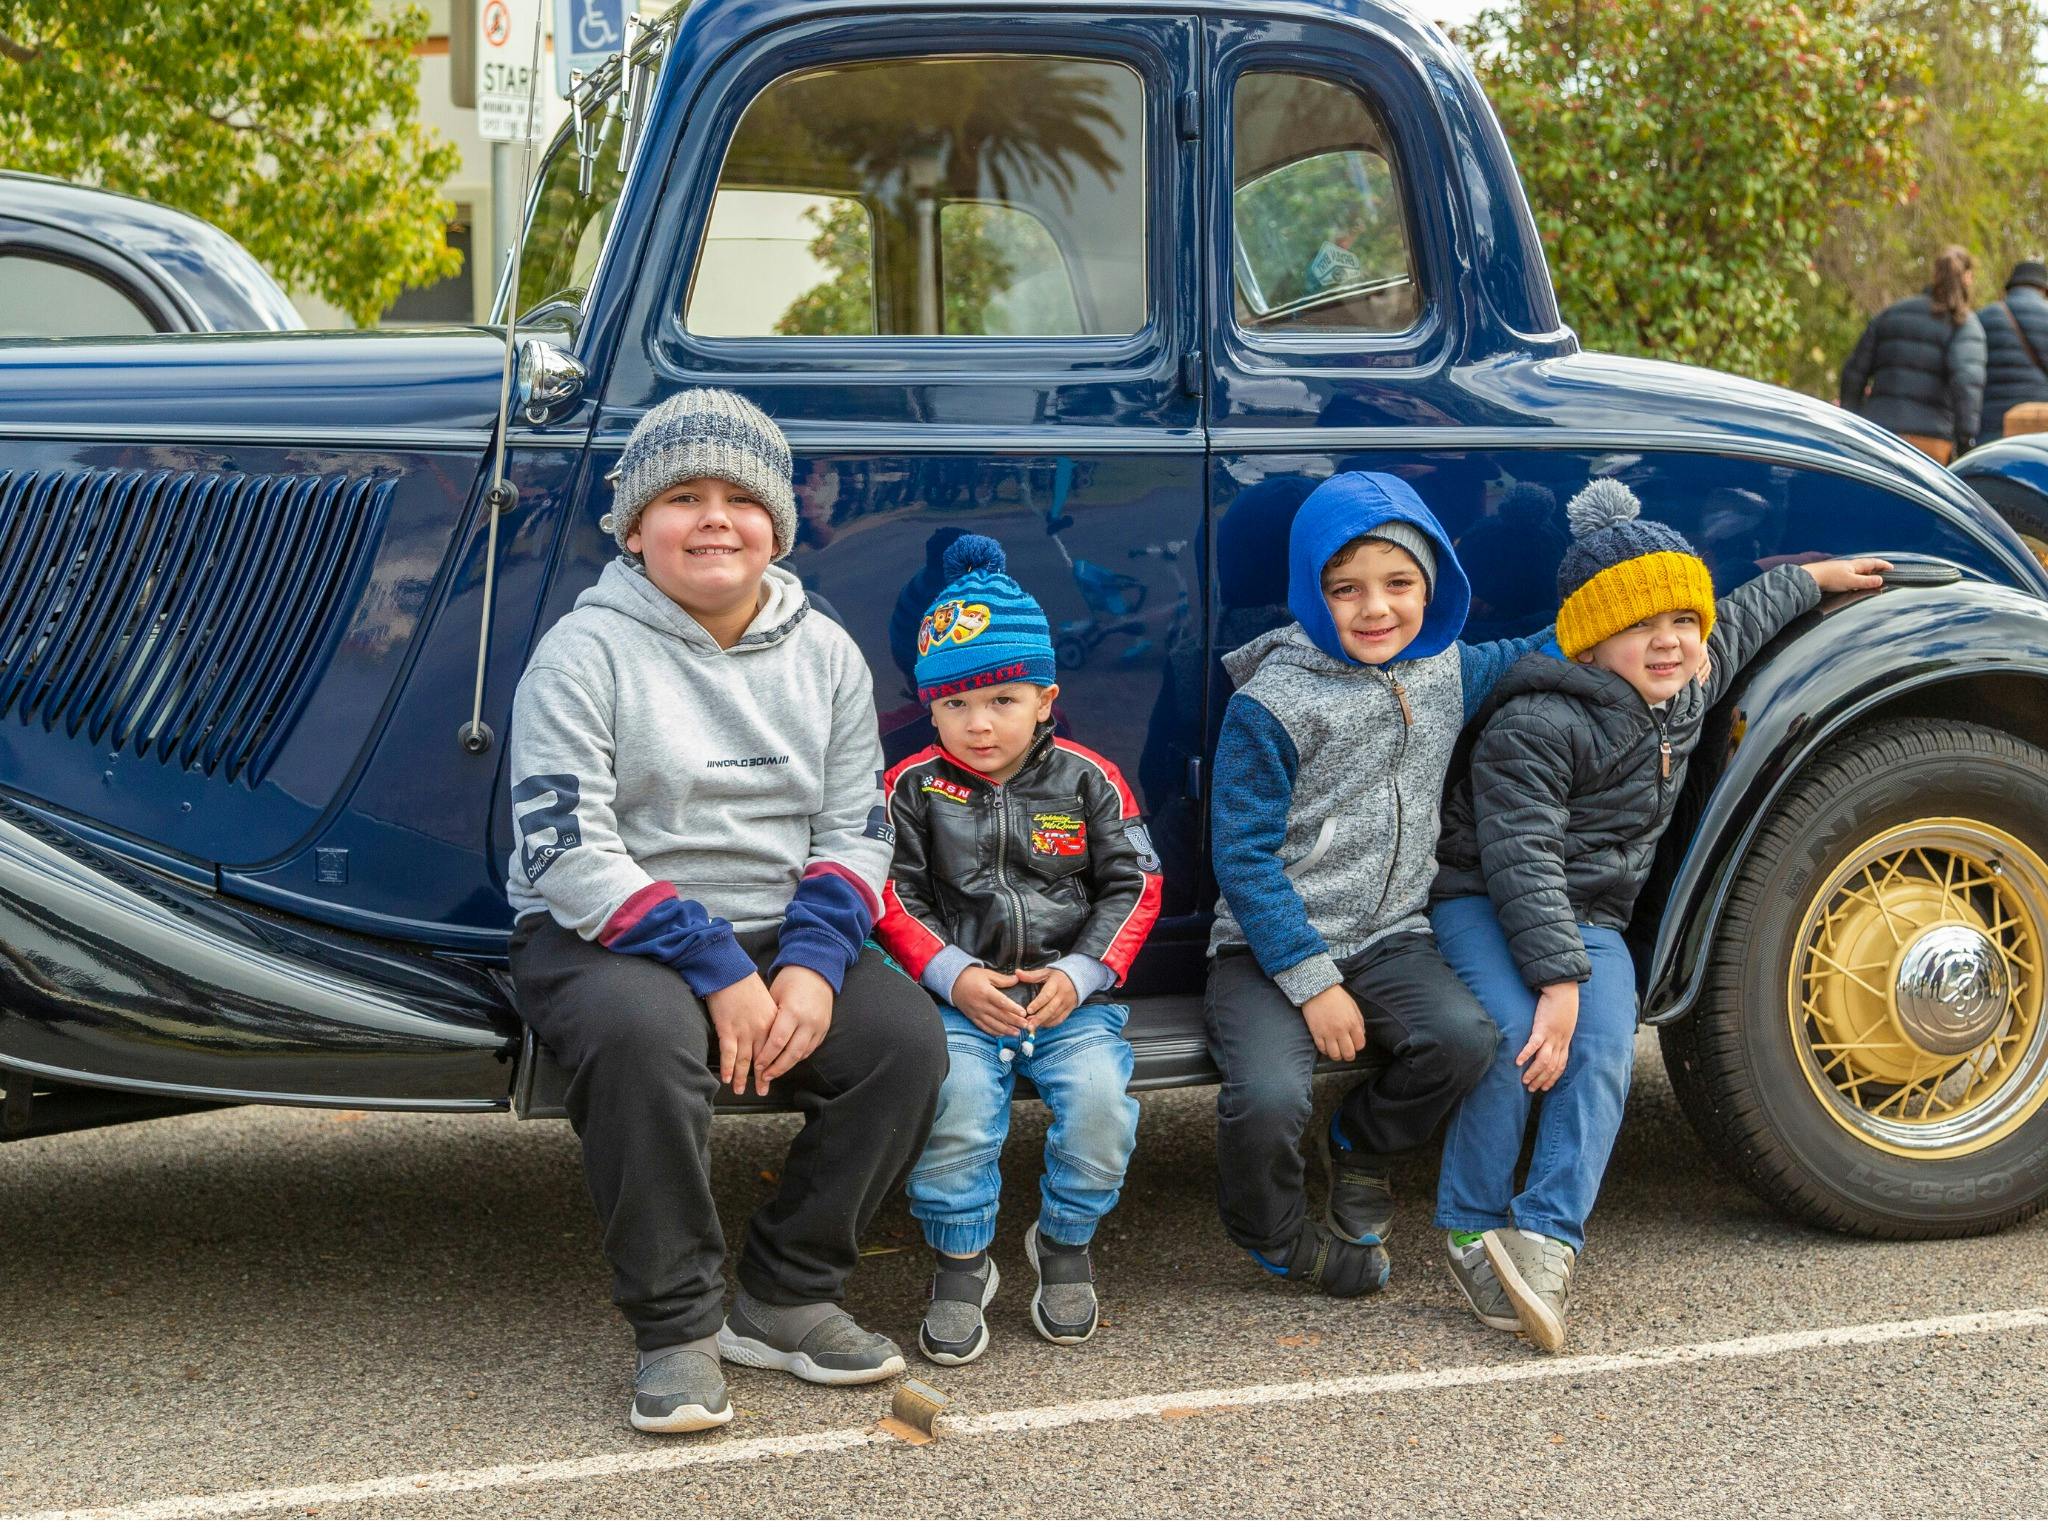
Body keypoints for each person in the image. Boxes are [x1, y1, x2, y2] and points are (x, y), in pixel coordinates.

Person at [504, 389, 945, 1434]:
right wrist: (713, 966)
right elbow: (565, 852)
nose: (712, 518)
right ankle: (677, 1328)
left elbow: (854, 828)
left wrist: (810, 961)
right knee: (645, 1042)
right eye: (681, 497)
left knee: (904, 1044)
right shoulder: (584, 653)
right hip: (604, 932)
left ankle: (785, 1296)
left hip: (775, 928)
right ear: (633, 526)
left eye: (739, 497)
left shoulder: (824, 651)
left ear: (777, 525)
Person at [1430, 478, 1889, 1352]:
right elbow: (1520, 861)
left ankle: (1547, 1241)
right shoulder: (1536, 721)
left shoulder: (1680, 691)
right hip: (1485, 900)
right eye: (1643, 626)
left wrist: (1818, 578)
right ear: (1593, 640)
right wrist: (1557, 983)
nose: (1670, 641)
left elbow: (1745, 615)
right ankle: (1468, 1223)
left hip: (1590, 918)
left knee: (1600, 1052)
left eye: (1683, 623)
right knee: (1511, 1038)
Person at [1204, 470, 1546, 1296]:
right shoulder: (1273, 704)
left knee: (1466, 1040)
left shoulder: (1443, 670)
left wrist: (1755, 595)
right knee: (1269, 1095)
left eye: (1400, 584)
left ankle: (1362, 1146)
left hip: (1390, 935)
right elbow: (1242, 858)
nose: (1376, 609)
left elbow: (1546, 644)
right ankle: (1278, 1237)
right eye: (1345, 589)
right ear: (1312, 592)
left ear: (1433, 587)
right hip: (1264, 947)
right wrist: (1314, 983)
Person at [876, 533, 1163, 1366]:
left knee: (1103, 1110)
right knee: (956, 1112)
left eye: (1002, 699)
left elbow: (1136, 885)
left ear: (1044, 697)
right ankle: (962, 1261)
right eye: (956, 705)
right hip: (961, 1005)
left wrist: (1083, 973)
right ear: (928, 708)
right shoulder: (912, 789)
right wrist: (952, 975)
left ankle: (1065, 1242)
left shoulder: (1089, 779)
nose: (979, 724)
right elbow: (892, 896)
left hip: (1071, 1004)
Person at [1840, 245, 1987, 463]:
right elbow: (1966, 387)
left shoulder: (1892, 314)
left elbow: (1854, 374)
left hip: (1877, 436)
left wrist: (1852, 422)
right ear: (1968, 277)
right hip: (1930, 447)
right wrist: (1965, 445)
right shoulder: (1964, 325)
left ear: (1935, 275)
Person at [1977, 258, 2048, 444]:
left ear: (2010, 287)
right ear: (2044, 289)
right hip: (2039, 427)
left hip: (1991, 426)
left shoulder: (1984, 316)